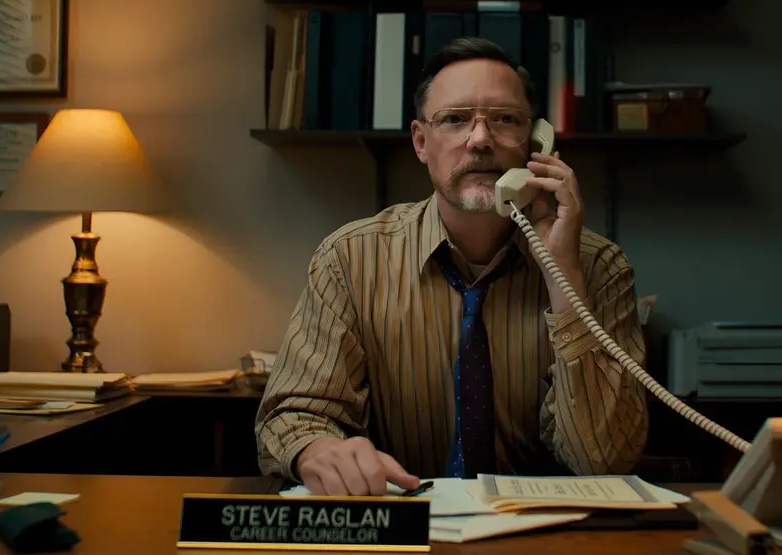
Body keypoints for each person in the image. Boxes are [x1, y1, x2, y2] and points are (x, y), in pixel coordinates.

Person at [255, 37, 649, 496]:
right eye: (455, 119)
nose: (480, 140)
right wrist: (317, 449)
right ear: (421, 142)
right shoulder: (350, 259)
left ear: (537, 141)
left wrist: (564, 278)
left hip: (550, 526)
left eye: (505, 119)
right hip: (407, 518)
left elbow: (604, 460)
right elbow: (293, 413)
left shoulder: (598, 266)